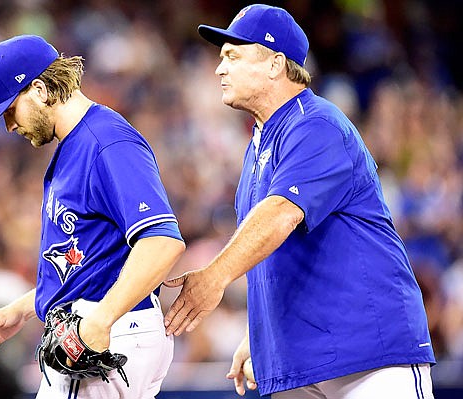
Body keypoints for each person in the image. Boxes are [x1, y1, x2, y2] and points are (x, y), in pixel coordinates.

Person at [163, 4, 436, 399]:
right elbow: (268, 246)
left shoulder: (317, 123)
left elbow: (279, 216)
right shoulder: (259, 145)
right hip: (301, 362)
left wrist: (213, 277)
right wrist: (256, 333)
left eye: (233, 56)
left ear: (275, 64)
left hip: (368, 353)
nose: (220, 69)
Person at [0, 34, 185, 399]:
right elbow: (88, 260)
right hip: (108, 323)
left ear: (39, 89)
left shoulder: (106, 142)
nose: (9, 126)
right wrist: (22, 309)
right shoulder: (76, 145)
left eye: (9, 110)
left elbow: (162, 241)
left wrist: (103, 318)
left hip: (109, 328)